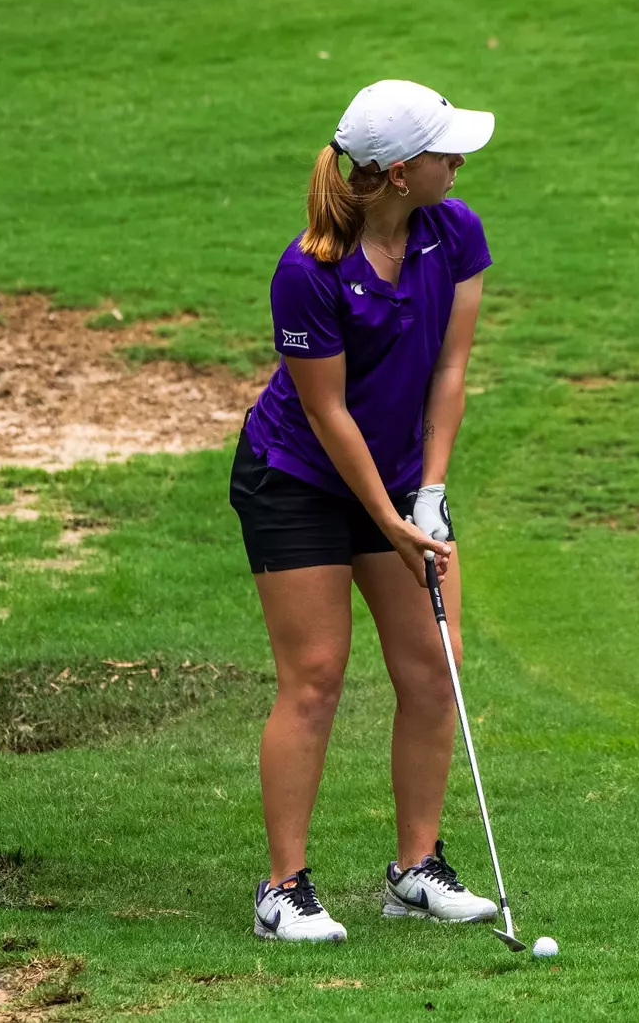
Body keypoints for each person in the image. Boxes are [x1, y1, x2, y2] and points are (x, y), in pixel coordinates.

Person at [230, 80, 498, 942]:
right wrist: (383, 518)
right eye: (442, 150)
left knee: (433, 666)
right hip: (298, 480)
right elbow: (327, 413)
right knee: (315, 677)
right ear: (391, 174)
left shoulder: (453, 231)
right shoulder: (308, 271)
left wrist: (428, 493)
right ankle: (284, 890)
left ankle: (415, 870)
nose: (458, 160)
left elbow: (450, 370)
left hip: (402, 481)